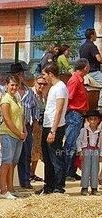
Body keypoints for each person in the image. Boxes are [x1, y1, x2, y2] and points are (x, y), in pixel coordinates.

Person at [37, 63, 68, 195]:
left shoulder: (60, 87)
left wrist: (53, 131)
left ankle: (58, 186)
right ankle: (49, 185)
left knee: (55, 157)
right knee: (48, 158)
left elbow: (59, 110)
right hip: (47, 125)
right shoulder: (54, 87)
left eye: (44, 74)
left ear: (50, 74)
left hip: (54, 127)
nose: (43, 77)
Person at [0, 74, 26, 200]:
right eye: (12, 85)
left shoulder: (16, 99)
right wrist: (19, 133)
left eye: (16, 85)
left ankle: (10, 187)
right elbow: (7, 120)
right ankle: (3, 190)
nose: (14, 87)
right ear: (7, 85)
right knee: (6, 162)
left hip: (18, 134)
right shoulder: (5, 100)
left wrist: (23, 131)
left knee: (13, 162)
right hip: (8, 134)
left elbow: (21, 117)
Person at [10, 63, 36, 190]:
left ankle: (25, 181)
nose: (21, 76)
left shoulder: (29, 91)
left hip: (26, 126)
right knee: (10, 156)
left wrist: (34, 123)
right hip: (11, 126)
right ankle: (7, 183)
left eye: (21, 74)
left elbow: (34, 108)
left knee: (26, 154)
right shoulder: (8, 91)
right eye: (18, 74)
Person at [64, 58, 90, 181]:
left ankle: (71, 171)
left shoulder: (79, 80)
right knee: (71, 143)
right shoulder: (75, 80)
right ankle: (67, 172)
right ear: (85, 67)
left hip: (78, 114)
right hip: (74, 114)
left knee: (75, 144)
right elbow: (68, 98)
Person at [76, 109, 102, 196]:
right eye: (91, 119)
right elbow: (78, 141)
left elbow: (101, 144)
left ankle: (94, 188)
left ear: (98, 120)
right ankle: (84, 188)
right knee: (86, 170)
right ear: (87, 120)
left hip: (96, 152)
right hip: (86, 151)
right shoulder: (83, 130)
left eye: (95, 119)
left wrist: (101, 154)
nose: (93, 121)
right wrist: (80, 151)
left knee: (95, 170)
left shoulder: (100, 132)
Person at [30, 76, 48, 182]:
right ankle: (28, 173)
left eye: (44, 84)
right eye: (39, 83)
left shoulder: (44, 95)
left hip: (42, 125)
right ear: (35, 82)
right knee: (31, 149)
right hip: (32, 126)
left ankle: (32, 173)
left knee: (37, 150)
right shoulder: (31, 94)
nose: (42, 86)